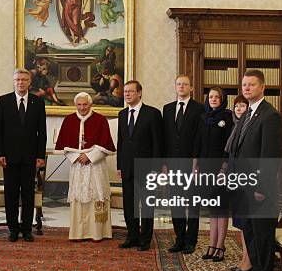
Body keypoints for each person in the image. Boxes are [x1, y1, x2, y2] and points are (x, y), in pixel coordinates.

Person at [228, 69, 282, 271]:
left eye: (251, 85)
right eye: (244, 85)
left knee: (262, 234)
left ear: (262, 88)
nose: (247, 88)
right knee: (249, 230)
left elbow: (270, 156)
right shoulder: (248, 114)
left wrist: (261, 187)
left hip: (260, 188)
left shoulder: (270, 116)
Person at [0, 68, 47, 242]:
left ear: (30, 82)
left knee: (28, 195)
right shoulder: (3, 101)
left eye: (24, 79)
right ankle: (13, 229)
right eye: (17, 79)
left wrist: (40, 155)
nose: (21, 82)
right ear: (13, 81)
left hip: (30, 157)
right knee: (11, 194)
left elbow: (42, 131)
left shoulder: (38, 102)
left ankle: (26, 229)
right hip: (9, 157)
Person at [54, 92, 116, 241]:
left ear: (91, 104)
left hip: (96, 167)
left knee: (97, 196)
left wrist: (89, 156)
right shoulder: (69, 120)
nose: (82, 108)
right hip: (77, 167)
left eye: (85, 104)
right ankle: (78, 232)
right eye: (79, 105)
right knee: (79, 197)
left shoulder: (100, 120)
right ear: (76, 105)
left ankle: (98, 232)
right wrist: (77, 156)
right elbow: (65, 147)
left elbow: (106, 144)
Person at [117, 80, 163, 251]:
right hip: (127, 167)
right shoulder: (122, 114)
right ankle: (132, 236)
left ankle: (145, 239)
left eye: (130, 91)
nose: (127, 94)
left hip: (147, 167)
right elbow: (121, 143)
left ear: (139, 93)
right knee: (129, 204)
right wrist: (120, 166)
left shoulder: (152, 114)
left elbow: (158, 143)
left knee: (146, 205)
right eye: (125, 92)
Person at [162, 75, 202, 254]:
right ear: (175, 86)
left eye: (185, 84)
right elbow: (166, 138)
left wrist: (196, 162)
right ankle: (179, 238)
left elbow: (200, 138)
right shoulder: (168, 109)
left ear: (191, 88)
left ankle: (191, 241)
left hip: (191, 164)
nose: (181, 87)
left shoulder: (199, 109)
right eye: (179, 84)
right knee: (176, 202)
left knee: (192, 203)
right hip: (172, 163)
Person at [196, 87, 233, 262]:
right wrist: (196, 167)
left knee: (221, 209)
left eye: (217, 97)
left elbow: (229, 146)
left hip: (220, 169)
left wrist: (224, 170)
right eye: (211, 97)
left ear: (222, 99)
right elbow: (199, 143)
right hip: (204, 167)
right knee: (212, 208)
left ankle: (220, 246)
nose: (214, 99)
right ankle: (212, 245)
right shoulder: (203, 117)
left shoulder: (227, 117)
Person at [224, 94, 252, 271]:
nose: (239, 109)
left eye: (243, 106)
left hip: (245, 180)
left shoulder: (249, 126)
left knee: (246, 223)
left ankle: (248, 261)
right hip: (235, 178)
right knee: (240, 223)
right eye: (237, 106)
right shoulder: (237, 126)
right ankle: (244, 258)